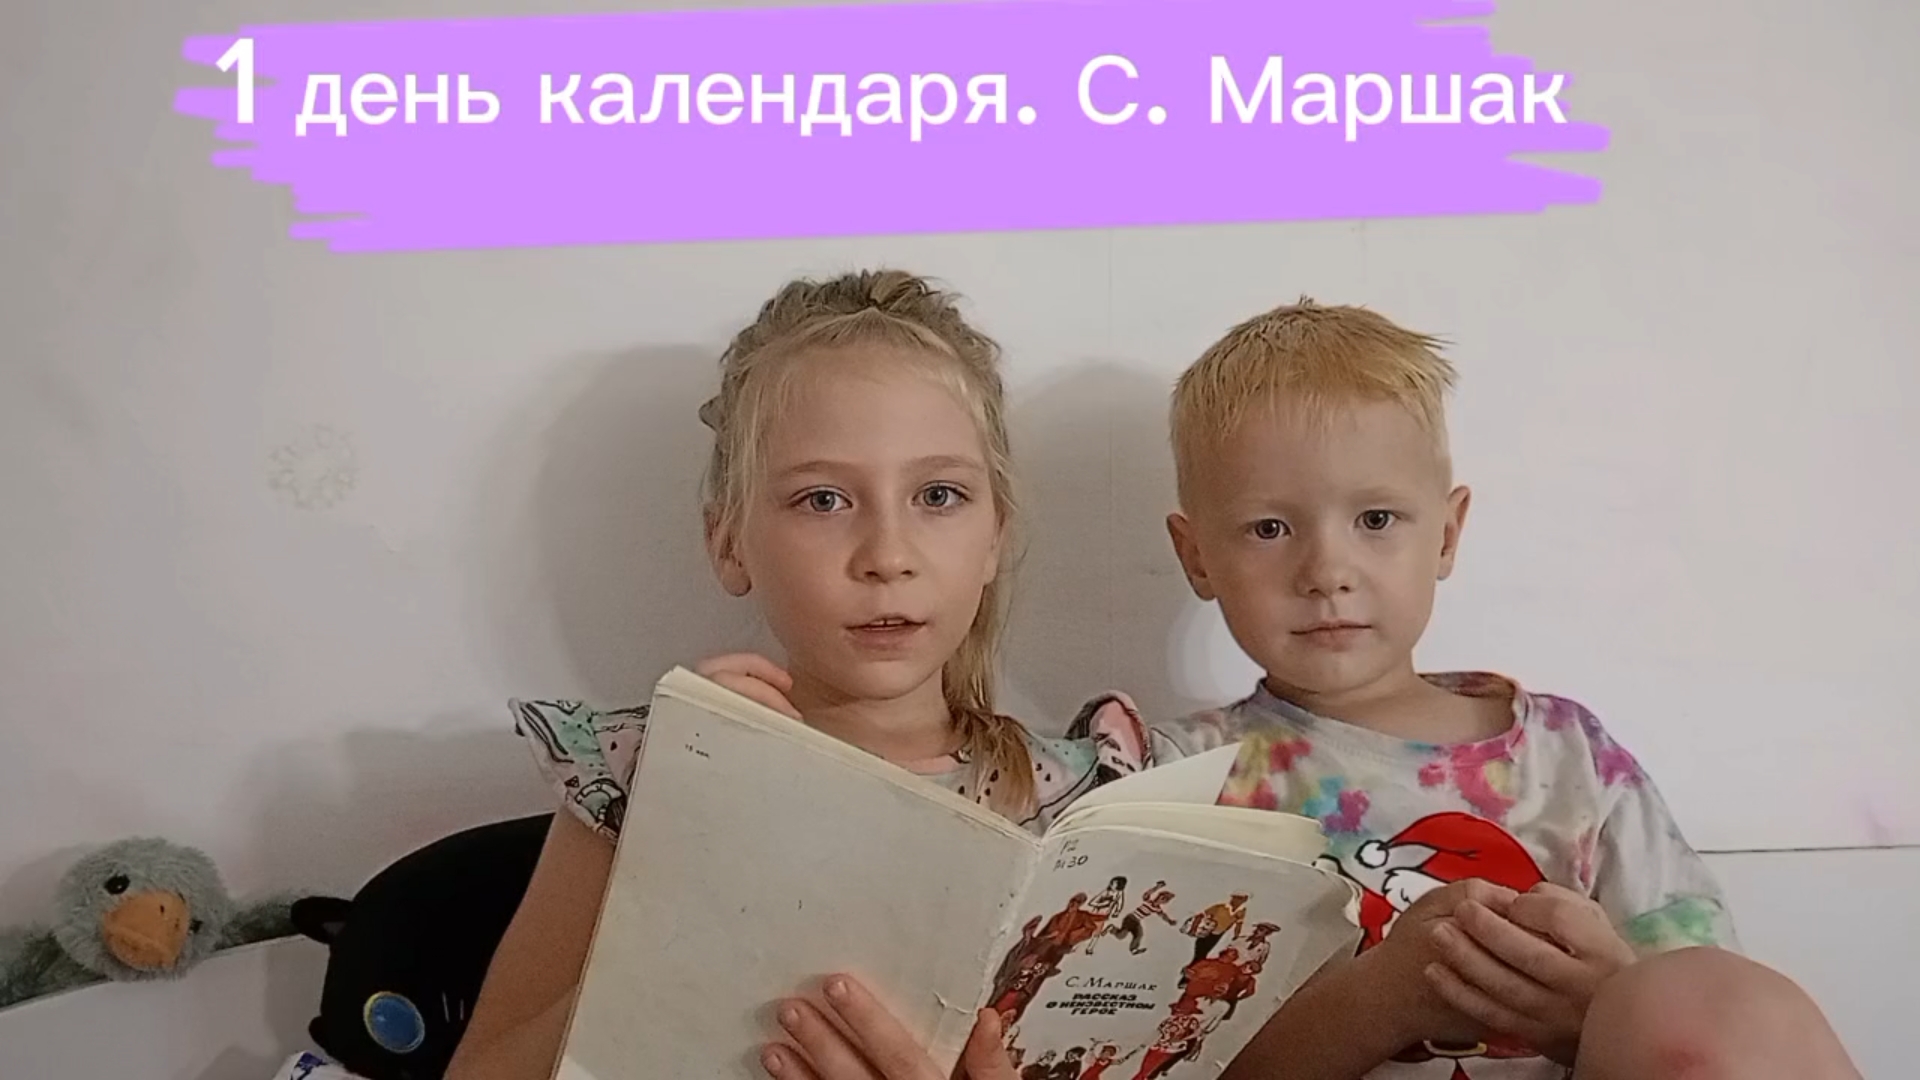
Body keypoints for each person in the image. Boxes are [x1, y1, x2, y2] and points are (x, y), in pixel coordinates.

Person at [442, 269, 1154, 1080]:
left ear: (995, 535)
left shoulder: (1088, 809)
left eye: (938, 495)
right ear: (729, 543)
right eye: (823, 501)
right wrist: (682, 868)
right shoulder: (647, 776)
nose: (887, 556)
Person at [1145, 297, 1862, 1080]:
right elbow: (1148, 1057)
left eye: (1377, 519)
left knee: (1717, 1000)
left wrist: (1596, 1004)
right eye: (1270, 529)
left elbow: (1712, 1023)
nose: (1327, 572)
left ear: (1447, 534)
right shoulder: (1174, 781)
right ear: (1197, 556)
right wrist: (1380, 999)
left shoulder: (1571, 758)